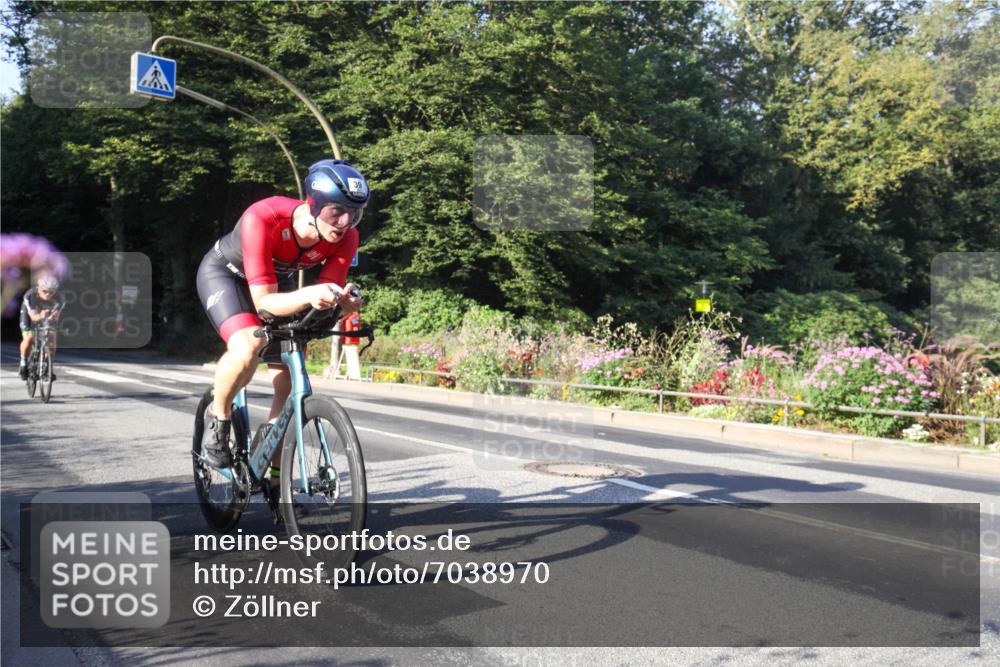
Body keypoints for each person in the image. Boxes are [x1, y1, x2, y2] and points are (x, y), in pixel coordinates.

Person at [196, 159, 368, 471]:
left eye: (353, 213)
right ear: (312, 204)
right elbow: (263, 303)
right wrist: (308, 295)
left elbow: (325, 294)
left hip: (278, 280)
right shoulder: (263, 217)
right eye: (336, 211)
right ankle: (217, 418)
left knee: (291, 372)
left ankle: (275, 474)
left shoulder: (347, 236)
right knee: (248, 347)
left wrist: (343, 302)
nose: (345, 222)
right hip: (226, 275)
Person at [19, 275, 65, 381]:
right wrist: (40, 316)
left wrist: (53, 317)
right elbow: (34, 318)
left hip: (47, 312)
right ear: (38, 289)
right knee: (29, 337)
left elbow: (56, 317)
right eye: (45, 291)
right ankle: (23, 363)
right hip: (30, 313)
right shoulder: (30, 295)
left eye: (51, 292)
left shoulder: (59, 297)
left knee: (52, 339)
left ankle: (47, 367)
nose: (48, 294)